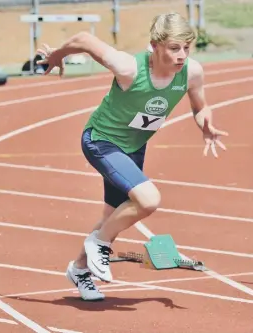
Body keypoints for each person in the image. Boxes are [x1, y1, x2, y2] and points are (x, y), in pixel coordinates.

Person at [37, 12, 228, 301]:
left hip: (133, 147)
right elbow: (85, 39)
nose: (181, 55)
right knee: (148, 199)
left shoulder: (192, 72)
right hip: (101, 141)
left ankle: (79, 270)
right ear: (155, 45)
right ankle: (98, 243)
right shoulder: (129, 68)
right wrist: (58, 55)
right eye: (174, 48)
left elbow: (200, 106)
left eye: (187, 48)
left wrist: (206, 123)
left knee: (113, 216)